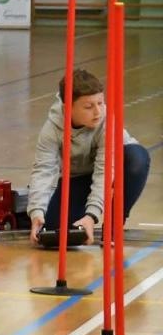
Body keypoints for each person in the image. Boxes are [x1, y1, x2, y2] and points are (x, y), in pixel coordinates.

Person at [28, 68, 150, 246]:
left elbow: (104, 170)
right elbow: (43, 171)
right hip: (78, 178)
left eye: (100, 103)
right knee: (55, 231)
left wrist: (92, 215)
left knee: (137, 158)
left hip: (116, 170)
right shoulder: (51, 130)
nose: (98, 112)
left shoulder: (106, 122)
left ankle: (115, 223)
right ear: (67, 107)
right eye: (88, 106)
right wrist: (36, 212)